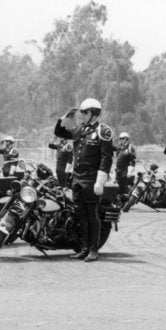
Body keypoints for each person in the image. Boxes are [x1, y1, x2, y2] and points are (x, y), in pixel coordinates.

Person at [53, 98, 113, 262]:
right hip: (78, 178)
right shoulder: (80, 129)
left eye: (85, 112)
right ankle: (84, 247)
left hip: (92, 179)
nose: (82, 115)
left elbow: (107, 158)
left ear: (93, 113)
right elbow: (59, 132)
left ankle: (93, 249)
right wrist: (65, 117)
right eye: (81, 112)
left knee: (92, 215)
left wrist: (100, 181)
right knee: (81, 215)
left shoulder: (103, 131)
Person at [114, 132, 137, 199]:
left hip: (125, 169)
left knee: (124, 186)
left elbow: (133, 161)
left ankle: (126, 200)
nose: (120, 140)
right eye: (120, 138)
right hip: (118, 169)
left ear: (126, 139)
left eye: (122, 138)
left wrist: (130, 170)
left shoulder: (130, 147)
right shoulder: (119, 147)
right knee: (117, 185)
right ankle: (118, 200)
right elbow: (111, 148)